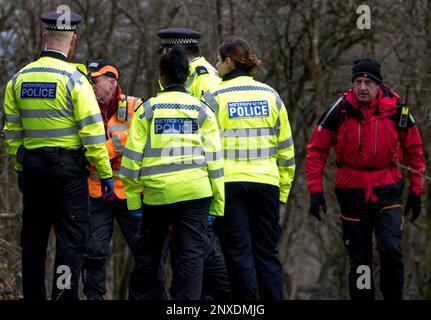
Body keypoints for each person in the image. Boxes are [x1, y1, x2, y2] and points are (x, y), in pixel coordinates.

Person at [2, 11, 114, 300]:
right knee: (70, 240)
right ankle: (63, 296)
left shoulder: (19, 79)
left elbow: (12, 131)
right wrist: (104, 174)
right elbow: (92, 133)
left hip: (34, 169)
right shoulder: (75, 81)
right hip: (67, 174)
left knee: (34, 241)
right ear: (73, 41)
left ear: (44, 38)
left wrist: (20, 165)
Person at [305, 58, 426, 300]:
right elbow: (316, 151)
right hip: (351, 191)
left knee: (390, 249)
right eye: (358, 82)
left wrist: (416, 191)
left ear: (378, 85)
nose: (362, 87)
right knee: (360, 259)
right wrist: (315, 192)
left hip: (388, 188)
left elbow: (414, 150)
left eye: (368, 82)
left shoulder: (397, 110)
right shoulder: (339, 110)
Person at [120, 46, 224, 300]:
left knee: (149, 257)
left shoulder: (147, 110)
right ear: (187, 77)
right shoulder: (202, 111)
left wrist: (133, 200)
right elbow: (215, 162)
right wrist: (217, 205)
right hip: (195, 195)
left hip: (157, 196)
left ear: (162, 77)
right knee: (190, 257)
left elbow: (132, 159)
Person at [203, 37, 295, 300]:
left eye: (218, 60)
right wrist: (283, 191)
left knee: (237, 253)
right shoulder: (271, 96)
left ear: (229, 62)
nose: (215, 64)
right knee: (267, 252)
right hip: (267, 185)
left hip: (228, 186)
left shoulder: (214, 98)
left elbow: (204, 147)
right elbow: (286, 150)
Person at [157, 28, 231, 300]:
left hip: (195, 180)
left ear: (173, 51)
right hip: (182, 179)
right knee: (190, 252)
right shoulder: (190, 76)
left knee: (200, 251)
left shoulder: (203, 79)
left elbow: (213, 131)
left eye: (166, 51)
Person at [81, 59, 143, 300]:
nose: (91, 86)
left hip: (130, 194)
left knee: (145, 254)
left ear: (112, 82)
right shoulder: (85, 107)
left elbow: (139, 137)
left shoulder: (136, 106)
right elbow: (81, 146)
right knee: (94, 253)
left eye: (95, 82)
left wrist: (103, 150)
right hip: (97, 194)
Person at [158, 28, 221, 99]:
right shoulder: (175, 72)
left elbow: (213, 108)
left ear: (170, 51)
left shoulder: (206, 77)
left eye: (163, 52)